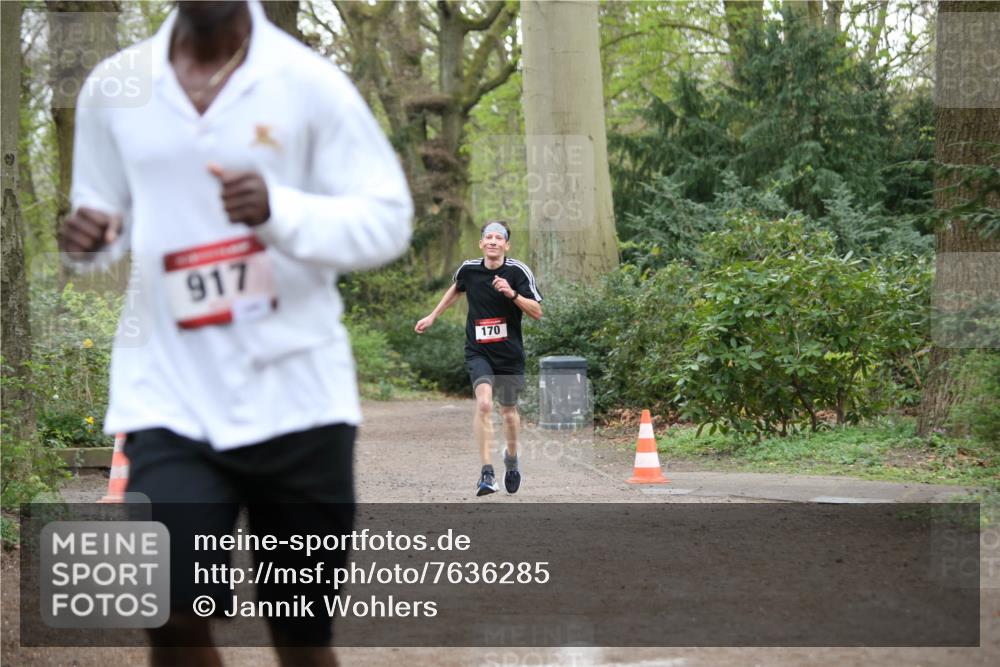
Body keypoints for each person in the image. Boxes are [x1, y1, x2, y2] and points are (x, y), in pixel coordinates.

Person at [58, 1, 412, 665]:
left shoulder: (310, 83)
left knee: (301, 636)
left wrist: (279, 208)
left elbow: (389, 219)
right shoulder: (115, 86)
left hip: (298, 393)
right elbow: (102, 220)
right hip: (168, 393)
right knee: (170, 611)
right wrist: (87, 240)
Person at [415, 221, 542, 496]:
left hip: (509, 354)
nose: (494, 241)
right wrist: (432, 315)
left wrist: (512, 293)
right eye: (489, 237)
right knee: (484, 404)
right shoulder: (469, 269)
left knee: (508, 412)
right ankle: (486, 472)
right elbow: (457, 288)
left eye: (499, 238)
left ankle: (511, 460)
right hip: (478, 350)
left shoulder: (518, 271)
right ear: (481, 243)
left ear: (507, 245)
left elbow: (537, 312)